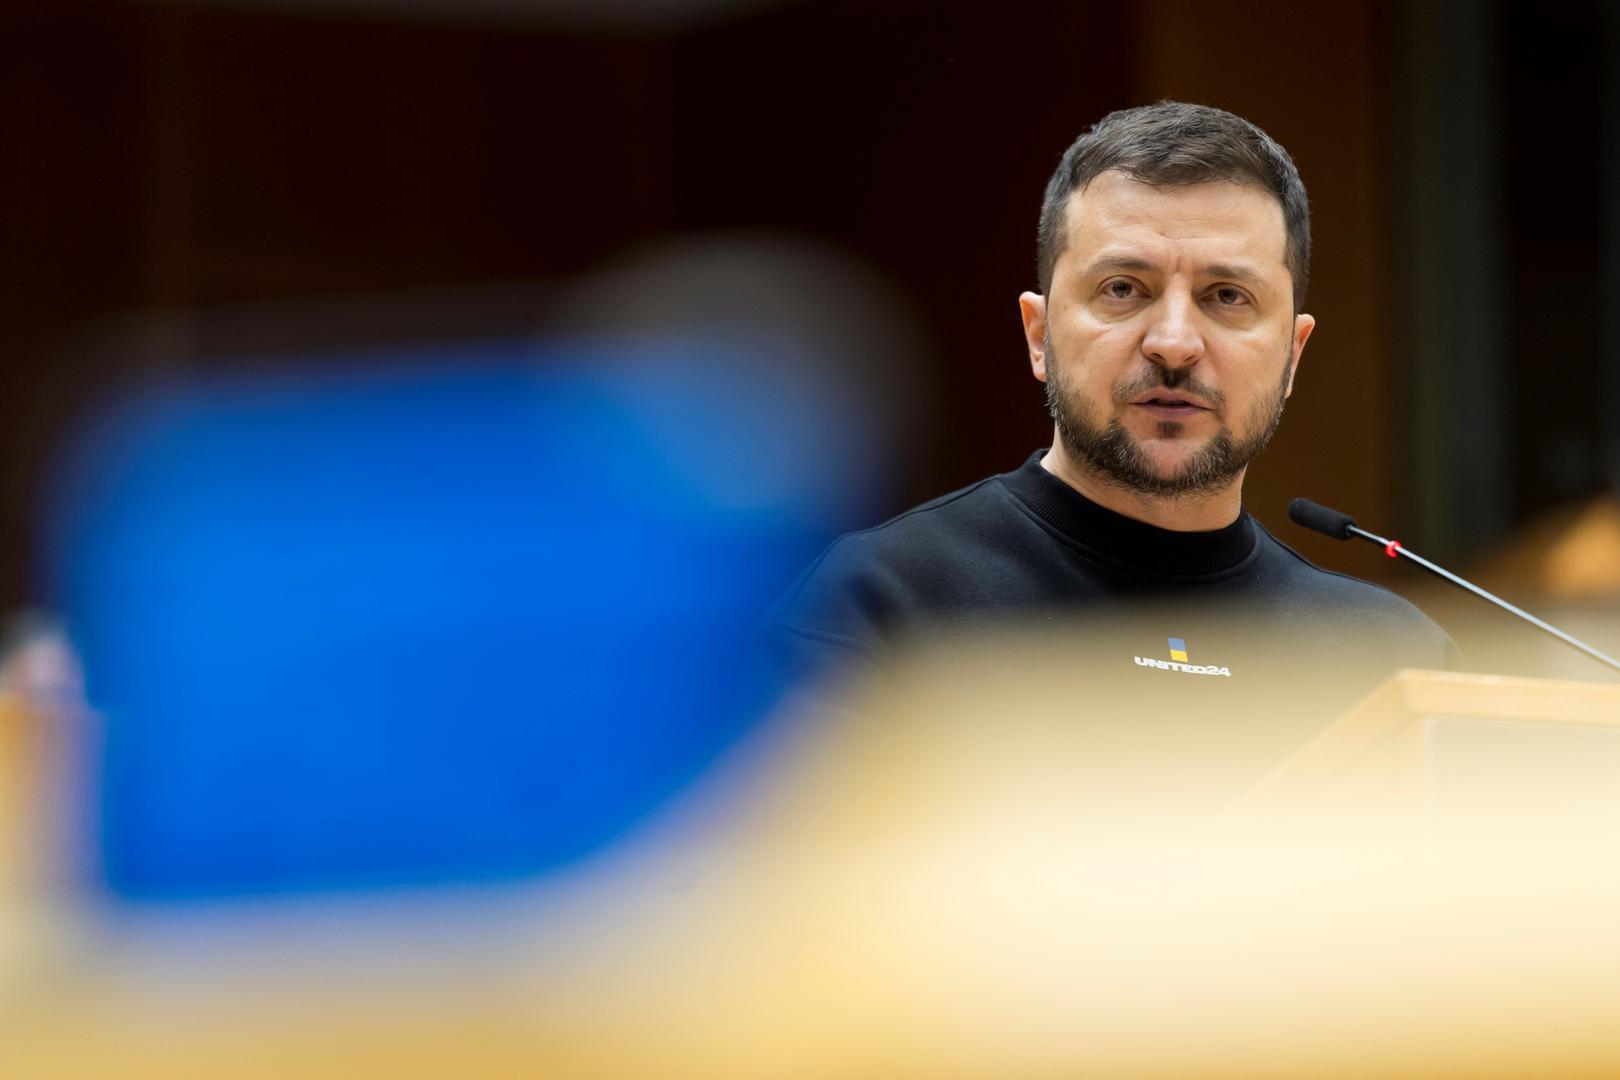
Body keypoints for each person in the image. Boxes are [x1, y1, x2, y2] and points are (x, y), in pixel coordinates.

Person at [771, 101, 1456, 703]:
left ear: (1292, 357)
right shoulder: (880, 602)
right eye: (1124, 288)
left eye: (1228, 296)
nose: (1175, 343)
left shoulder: (1393, 662)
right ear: (1039, 337)